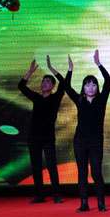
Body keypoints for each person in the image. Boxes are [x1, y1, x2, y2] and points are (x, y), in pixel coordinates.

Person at [60, 50, 110, 212]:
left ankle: (101, 203)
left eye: (93, 84)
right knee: (82, 172)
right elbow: (66, 87)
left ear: (97, 87)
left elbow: (108, 81)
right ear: (83, 87)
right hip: (80, 141)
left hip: (96, 141)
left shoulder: (101, 99)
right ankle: (84, 203)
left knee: (96, 172)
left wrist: (99, 64)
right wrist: (70, 70)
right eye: (87, 84)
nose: (91, 87)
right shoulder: (79, 100)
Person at [18, 56, 70, 204]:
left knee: (52, 166)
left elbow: (64, 83)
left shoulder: (55, 97)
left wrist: (51, 68)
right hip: (34, 137)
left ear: (53, 86)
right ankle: (39, 196)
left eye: (47, 81)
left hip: (48, 137)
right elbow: (21, 86)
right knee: (36, 166)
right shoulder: (37, 98)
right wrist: (30, 72)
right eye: (43, 81)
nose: (44, 83)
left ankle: (56, 195)